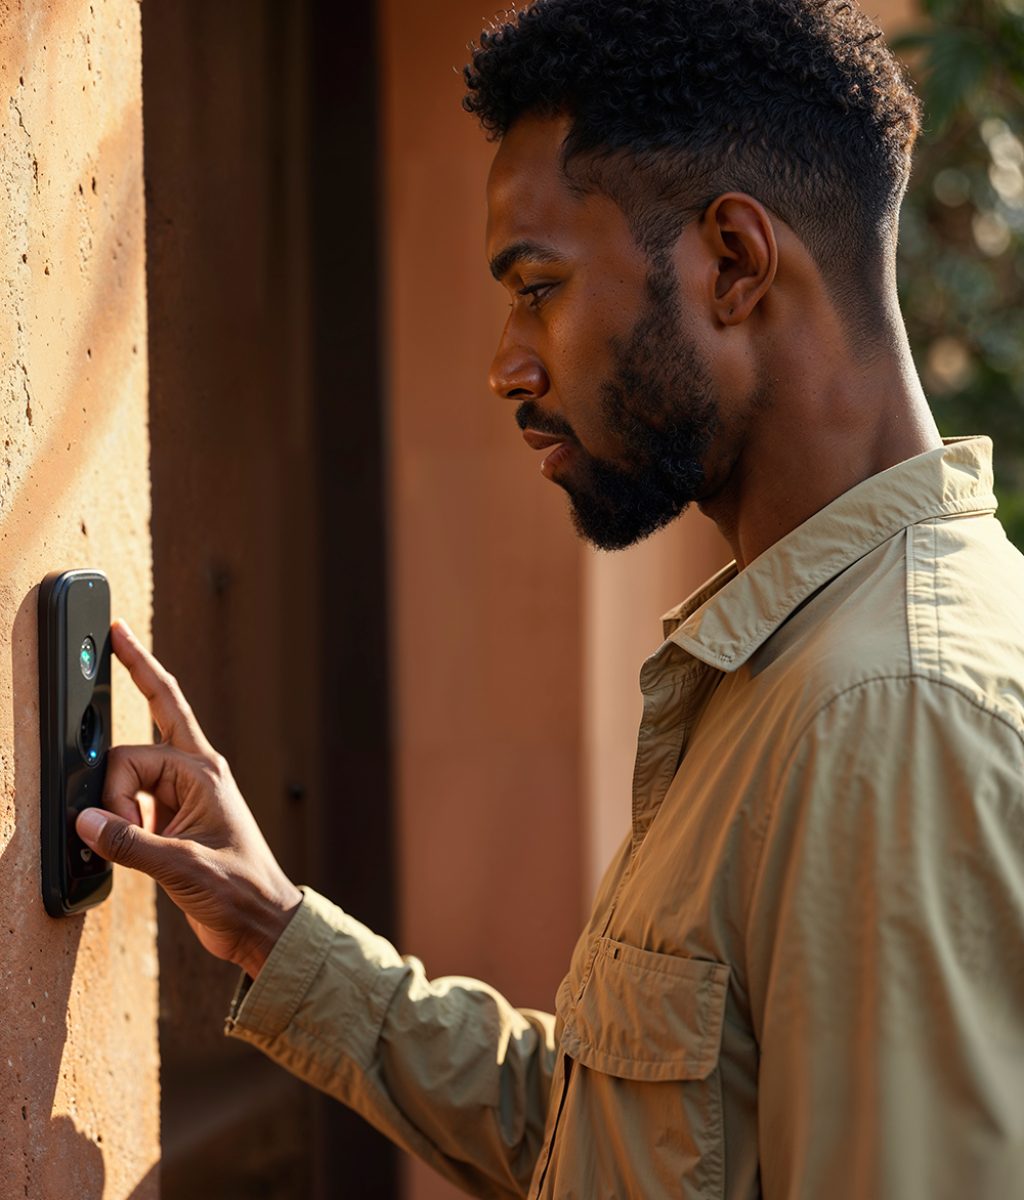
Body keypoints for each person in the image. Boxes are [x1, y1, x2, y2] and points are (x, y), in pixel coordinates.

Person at [76, 1, 1024, 1196]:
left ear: (732, 263)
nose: (505, 364)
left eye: (536, 287)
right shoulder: (800, 664)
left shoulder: (886, 709)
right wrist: (273, 930)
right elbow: (621, 1146)